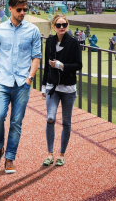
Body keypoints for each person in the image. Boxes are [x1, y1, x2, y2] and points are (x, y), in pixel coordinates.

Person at [0, 0, 41, 174]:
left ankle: (10, 156)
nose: (22, 13)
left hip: (22, 83)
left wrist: (30, 78)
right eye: (19, 10)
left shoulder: (33, 31)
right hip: (2, 82)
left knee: (16, 122)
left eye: (24, 10)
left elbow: (36, 57)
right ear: (10, 9)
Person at [41, 13, 82, 167]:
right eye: (58, 25)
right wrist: (44, 86)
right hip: (53, 87)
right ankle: (50, 153)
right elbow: (46, 64)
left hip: (68, 89)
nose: (62, 27)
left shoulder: (73, 43)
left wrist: (61, 65)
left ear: (67, 25)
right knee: (50, 118)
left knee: (66, 122)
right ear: (54, 27)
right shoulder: (50, 41)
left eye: (64, 24)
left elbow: (78, 65)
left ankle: (61, 154)